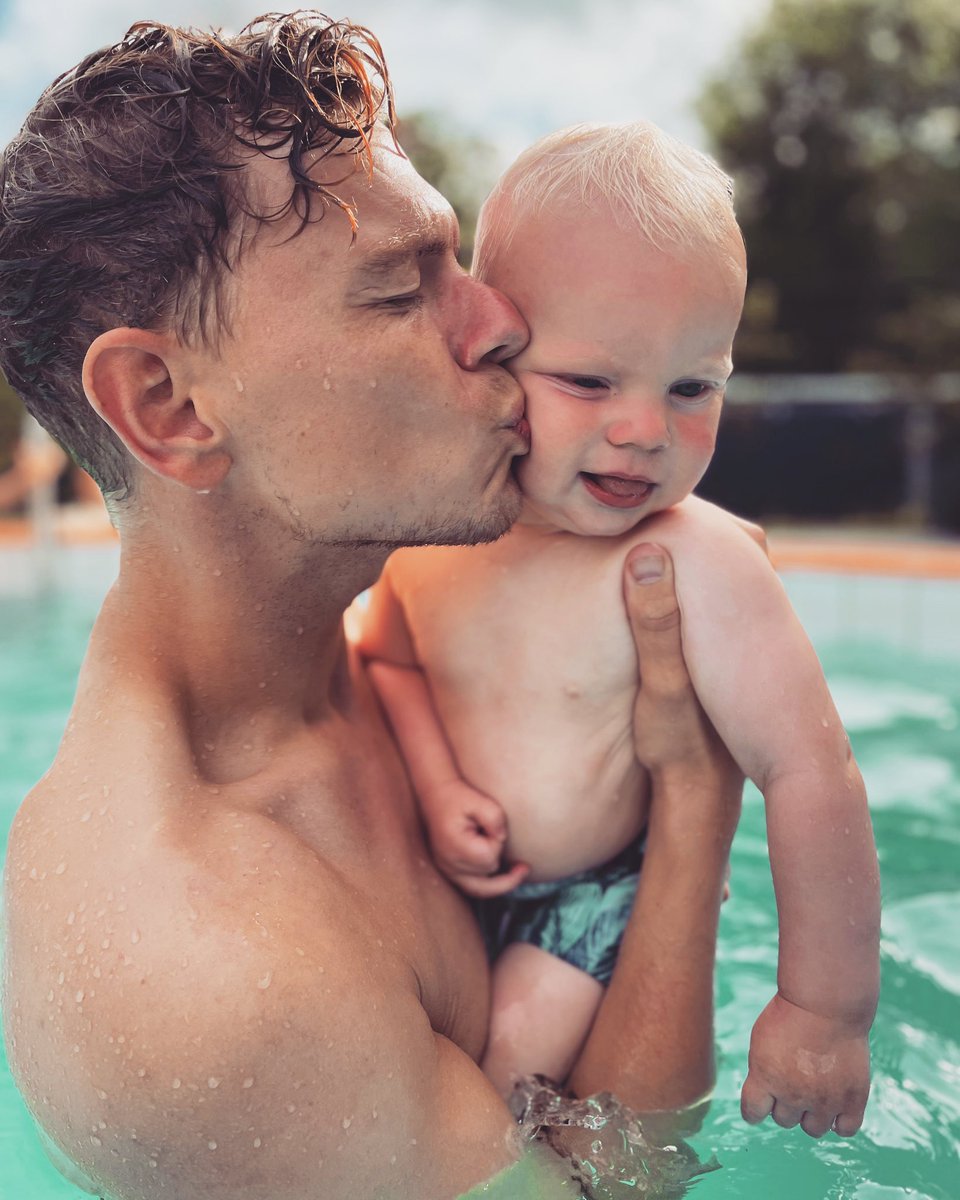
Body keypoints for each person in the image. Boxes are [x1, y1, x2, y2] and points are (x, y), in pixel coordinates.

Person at [0, 15, 742, 1200]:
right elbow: (625, 1186)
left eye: (455, 258)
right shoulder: (215, 971)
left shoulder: (358, 651)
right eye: (402, 290)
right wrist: (696, 795)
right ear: (170, 406)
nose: (500, 318)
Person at [356, 122, 880, 1134]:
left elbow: (813, 772)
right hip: (454, 886)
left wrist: (825, 1009)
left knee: (489, 1093)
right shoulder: (437, 530)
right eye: (590, 382)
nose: (644, 429)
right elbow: (384, 655)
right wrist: (437, 782)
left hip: (595, 903)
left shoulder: (699, 561)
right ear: (495, 351)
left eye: (693, 388)